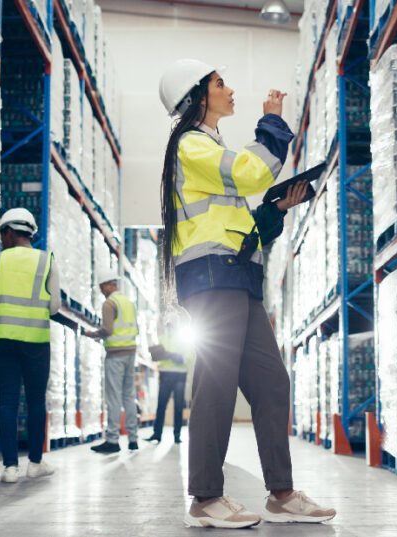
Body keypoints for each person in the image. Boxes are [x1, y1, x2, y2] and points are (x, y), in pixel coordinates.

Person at [157, 58, 335, 529]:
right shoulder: (191, 145)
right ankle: (205, 497)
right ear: (198, 97)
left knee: (271, 383)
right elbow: (252, 173)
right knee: (215, 387)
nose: (228, 89)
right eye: (219, 84)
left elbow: (244, 227)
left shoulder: (211, 149)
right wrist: (272, 121)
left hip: (237, 276)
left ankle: (281, 493)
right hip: (212, 278)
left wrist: (276, 211)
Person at [0, 208, 59, 483]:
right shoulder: (45, 260)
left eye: (2, 234)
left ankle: (10, 468)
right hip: (35, 341)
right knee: (36, 401)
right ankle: (35, 462)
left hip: (1, 340)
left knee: (8, 401)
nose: (1, 240)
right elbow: (55, 305)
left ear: (9, 232)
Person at [84, 270, 141, 453]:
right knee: (128, 396)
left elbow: (107, 329)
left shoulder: (110, 303)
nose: (102, 291)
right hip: (131, 353)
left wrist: (92, 334)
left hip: (116, 355)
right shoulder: (129, 303)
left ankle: (113, 440)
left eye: (102, 288)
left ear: (109, 285)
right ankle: (133, 439)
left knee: (114, 397)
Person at [146, 319, 196, 444]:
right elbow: (158, 355)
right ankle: (157, 434)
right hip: (165, 376)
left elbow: (189, 357)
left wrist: (176, 357)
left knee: (178, 407)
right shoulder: (163, 339)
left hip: (179, 376)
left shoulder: (183, 341)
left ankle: (177, 436)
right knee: (161, 406)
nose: (170, 327)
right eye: (168, 325)